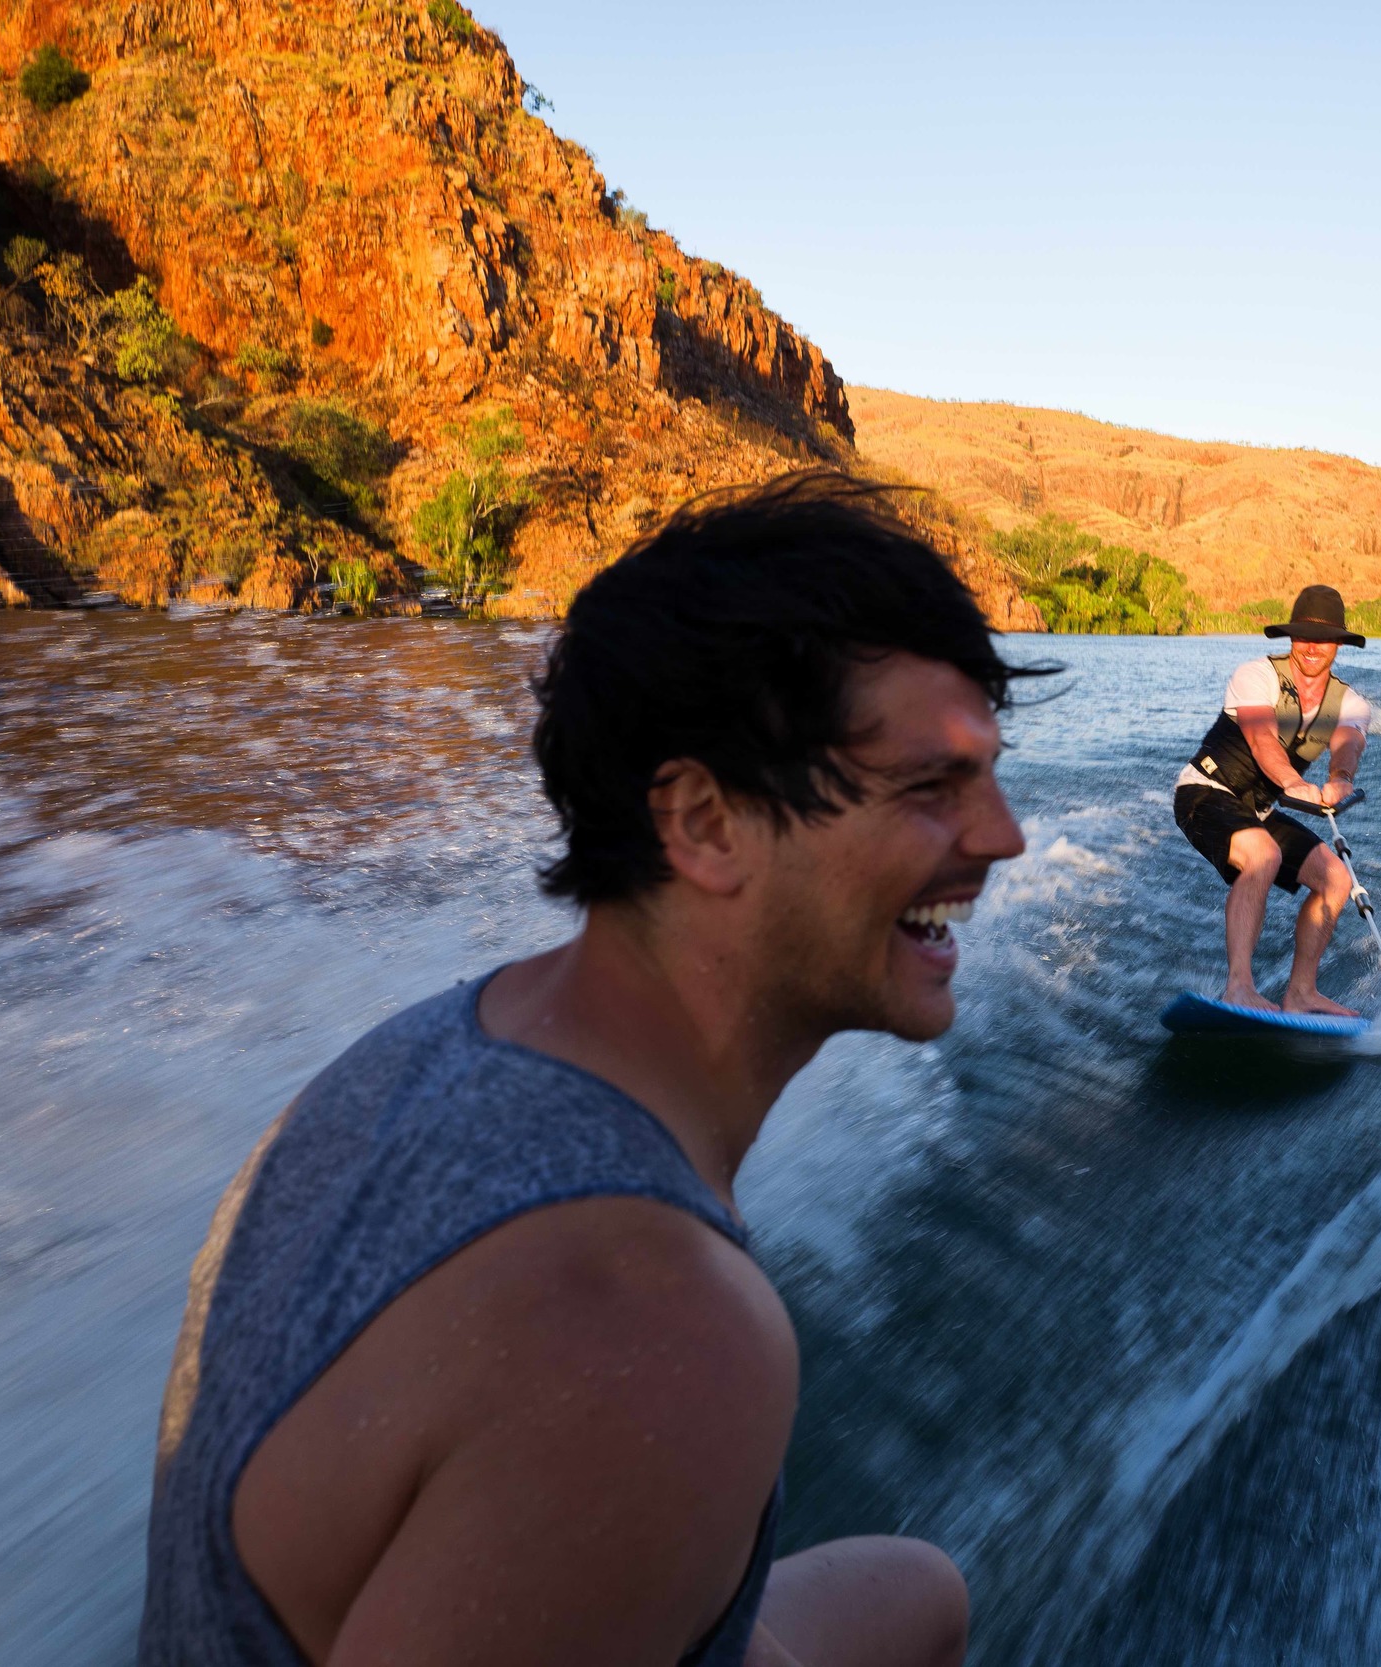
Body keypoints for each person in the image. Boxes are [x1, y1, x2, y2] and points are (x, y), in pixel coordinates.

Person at [141, 473, 1036, 1667]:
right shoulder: (660, 1332)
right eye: (931, 786)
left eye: (987, 772)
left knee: (917, 1592)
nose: (1003, 834)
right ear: (705, 822)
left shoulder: (423, 1050)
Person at [1171, 584, 1370, 1016]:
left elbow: (1347, 742)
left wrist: (1340, 779)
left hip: (1258, 810)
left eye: (1324, 638)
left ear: (1339, 643)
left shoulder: (1351, 703)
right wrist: (1292, 783)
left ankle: (1301, 993)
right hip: (1205, 792)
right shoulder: (1255, 676)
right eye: (1303, 635)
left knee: (1336, 878)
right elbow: (1262, 739)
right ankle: (1239, 987)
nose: (1313, 646)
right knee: (1263, 854)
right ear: (1290, 638)